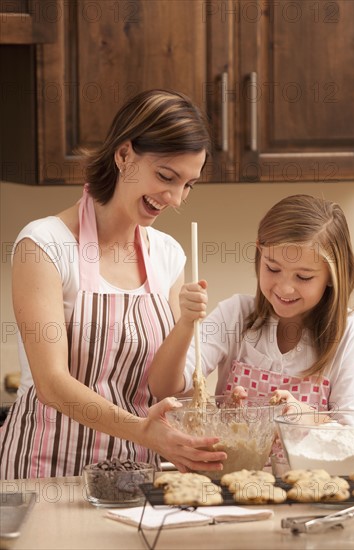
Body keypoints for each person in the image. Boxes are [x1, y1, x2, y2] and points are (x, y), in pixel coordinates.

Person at [0, 89, 227, 480]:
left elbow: (164, 385)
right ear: (123, 155)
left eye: (189, 184)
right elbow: (52, 384)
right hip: (48, 471)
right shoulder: (45, 245)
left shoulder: (167, 254)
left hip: (135, 473)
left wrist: (188, 327)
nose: (175, 198)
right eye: (166, 177)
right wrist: (143, 430)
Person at [149, 194, 354, 416]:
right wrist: (187, 323)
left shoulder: (349, 333)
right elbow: (162, 387)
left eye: (303, 277)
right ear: (259, 253)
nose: (285, 288)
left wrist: (308, 419)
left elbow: (351, 432)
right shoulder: (235, 315)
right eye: (273, 269)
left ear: (332, 277)